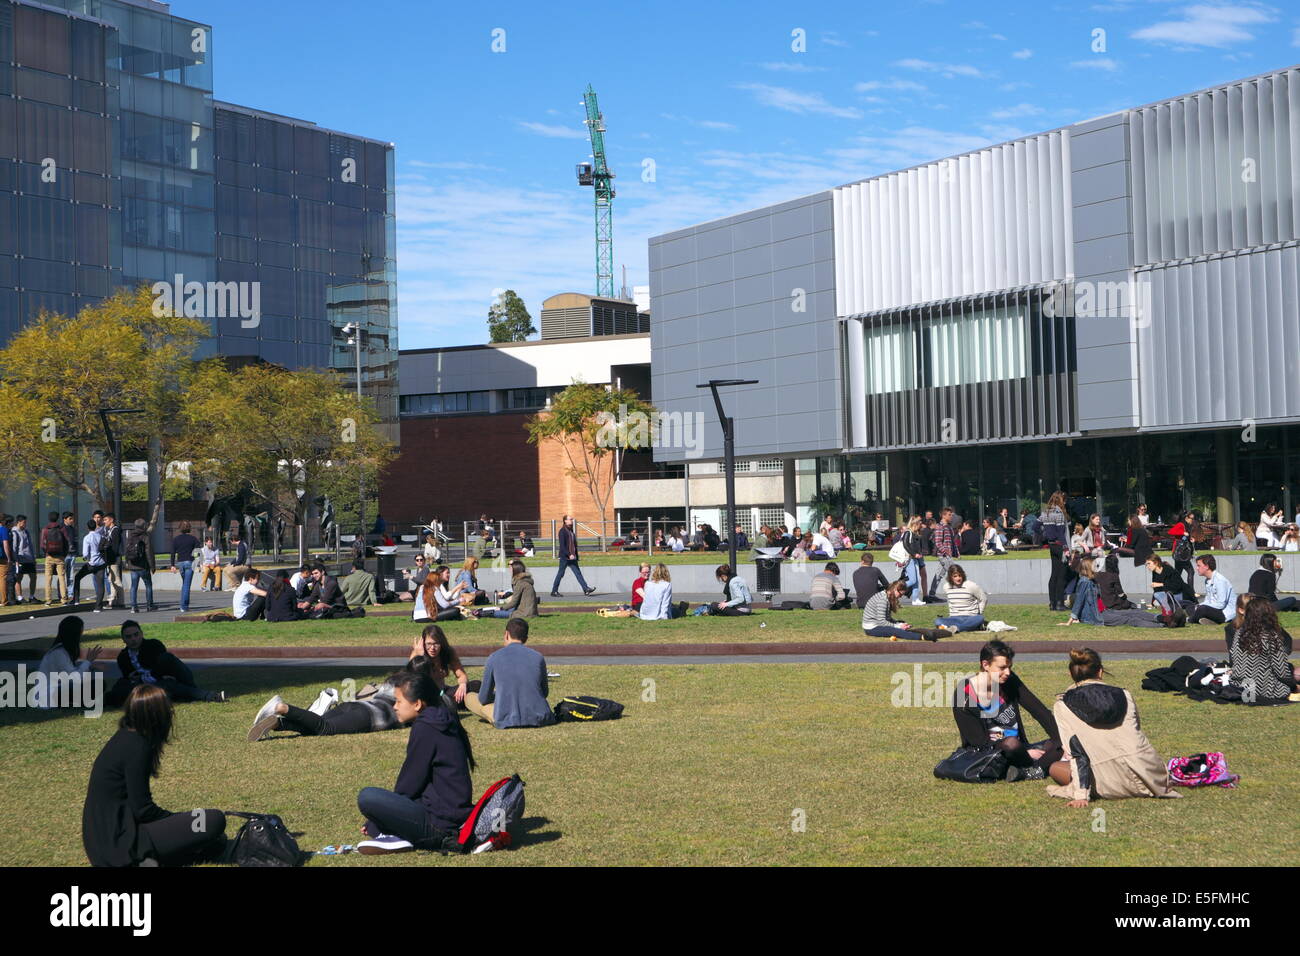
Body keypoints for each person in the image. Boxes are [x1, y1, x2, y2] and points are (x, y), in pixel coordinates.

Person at [83, 684, 230, 866]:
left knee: (206, 835)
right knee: (213, 819)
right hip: (121, 843)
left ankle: (155, 858)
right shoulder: (137, 746)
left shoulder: (125, 736)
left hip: (103, 842)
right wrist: (176, 820)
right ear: (155, 716)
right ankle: (142, 859)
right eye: (166, 708)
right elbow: (143, 809)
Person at [355, 667, 476, 855]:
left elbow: (409, 784)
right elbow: (422, 784)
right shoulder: (443, 718)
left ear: (418, 704)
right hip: (449, 814)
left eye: (399, 701)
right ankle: (396, 835)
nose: (394, 706)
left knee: (367, 797)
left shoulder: (426, 727)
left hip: (439, 826)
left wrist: (381, 819)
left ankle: (398, 836)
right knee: (379, 803)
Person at [1047, 648, 1180, 805]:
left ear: (1071, 675)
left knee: (1055, 768)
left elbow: (1077, 751)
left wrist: (1081, 795)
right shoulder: (1125, 695)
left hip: (1108, 783)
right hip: (1150, 777)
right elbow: (1136, 730)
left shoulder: (1062, 705)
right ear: (1100, 672)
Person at [249, 658, 441, 742]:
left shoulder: (396, 679)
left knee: (314, 729)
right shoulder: (419, 696)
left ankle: (279, 725)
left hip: (356, 706)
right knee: (325, 729)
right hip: (368, 716)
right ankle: (282, 707)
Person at [951, 639, 1063, 782]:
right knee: (1011, 744)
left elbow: (1039, 711)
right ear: (985, 665)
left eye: (1009, 667)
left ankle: (1028, 771)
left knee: (1060, 742)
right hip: (990, 754)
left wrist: (1062, 740)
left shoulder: (1010, 681)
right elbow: (978, 743)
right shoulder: (964, 694)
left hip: (1020, 748)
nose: (1008, 672)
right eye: (1002, 667)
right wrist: (1027, 754)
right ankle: (1037, 767)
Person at [106, 619, 226, 705]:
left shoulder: (153, 645)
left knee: (170, 680)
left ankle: (208, 695)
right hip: (145, 688)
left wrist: (146, 677)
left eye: (136, 635)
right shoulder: (122, 657)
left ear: (141, 634)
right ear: (123, 639)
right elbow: (130, 678)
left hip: (162, 680)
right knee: (120, 688)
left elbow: (165, 664)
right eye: (129, 637)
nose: (133, 639)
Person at [465, 618, 555, 728]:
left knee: (469, 697)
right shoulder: (538, 657)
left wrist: (498, 696)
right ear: (526, 638)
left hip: (508, 718)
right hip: (540, 716)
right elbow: (544, 692)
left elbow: (483, 699)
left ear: (506, 634)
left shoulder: (494, 657)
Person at [1225, 600, 1299, 703]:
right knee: (1287, 678)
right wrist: (1293, 686)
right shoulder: (1271, 636)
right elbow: (1281, 671)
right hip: (1262, 689)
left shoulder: (1239, 633)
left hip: (1239, 686)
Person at [1062, 562, 1167, 628]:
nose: (1096, 568)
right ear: (1087, 569)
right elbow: (1079, 601)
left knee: (1133, 612)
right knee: (1130, 620)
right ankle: (1162, 625)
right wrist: (1070, 621)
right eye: (1094, 566)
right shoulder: (1084, 582)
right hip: (1098, 616)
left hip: (1105, 610)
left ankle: (1162, 618)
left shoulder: (1092, 581)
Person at [33, 616, 102, 709]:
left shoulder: (63, 651)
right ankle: (74, 703)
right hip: (49, 695)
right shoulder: (59, 653)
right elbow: (73, 678)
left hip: (57, 690)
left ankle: (75, 702)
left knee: (96, 685)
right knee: (94, 686)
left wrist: (90, 667)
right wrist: (88, 662)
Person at [862, 579, 944, 641]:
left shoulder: (887, 597)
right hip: (871, 627)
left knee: (900, 624)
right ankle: (923, 637)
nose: (900, 596)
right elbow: (882, 621)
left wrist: (898, 623)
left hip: (877, 624)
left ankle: (925, 632)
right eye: (900, 594)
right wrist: (898, 626)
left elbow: (888, 619)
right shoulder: (882, 599)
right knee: (896, 631)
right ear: (895, 589)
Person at [935, 564, 988, 633]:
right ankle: (966, 627)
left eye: (960, 575)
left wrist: (979, 612)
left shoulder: (971, 585)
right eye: (955, 576)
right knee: (938, 621)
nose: (958, 578)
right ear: (950, 577)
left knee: (980, 618)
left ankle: (956, 628)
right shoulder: (946, 587)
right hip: (954, 617)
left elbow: (983, 599)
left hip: (970, 617)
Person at [551, 514, 595, 597]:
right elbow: (562, 546)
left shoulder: (571, 531)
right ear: (565, 521)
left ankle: (586, 589)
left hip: (572, 558)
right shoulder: (562, 531)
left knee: (578, 573)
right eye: (570, 519)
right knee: (560, 574)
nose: (571, 520)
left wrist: (576, 556)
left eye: (571, 519)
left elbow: (574, 545)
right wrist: (569, 554)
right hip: (565, 557)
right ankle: (554, 591)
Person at [1040, 491, 1070, 611]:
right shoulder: (1059, 513)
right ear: (1060, 500)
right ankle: (1059, 603)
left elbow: (1035, 527)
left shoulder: (1045, 512)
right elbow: (1061, 534)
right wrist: (1066, 549)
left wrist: (1046, 535)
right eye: (1064, 500)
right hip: (1060, 545)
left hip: (1052, 545)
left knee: (1054, 574)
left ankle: (1052, 603)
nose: (1066, 502)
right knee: (1061, 575)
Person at [70, 519, 108, 611]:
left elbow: (85, 553)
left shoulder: (87, 538)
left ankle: (76, 599)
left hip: (91, 563)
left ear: (87, 527)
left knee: (78, 577)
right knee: (100, 585)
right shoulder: (100, 536)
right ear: (95, 526)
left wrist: (86, 558)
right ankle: (98, 607)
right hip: (101, 563)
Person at [1189, 554, 1236, 625]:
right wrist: (1199, 606)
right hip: (1214, 609)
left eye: (1199, 566)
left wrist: (1201, 607)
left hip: (1224, 613)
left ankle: (1190, 620)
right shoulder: (1207, 581)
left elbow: (1221, 604)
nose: (1197, 568)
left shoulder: (1220, 580)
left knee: (1202, 609)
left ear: (1207, 566)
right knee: (1190, 607)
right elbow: (1208, 600)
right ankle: (1208, 620)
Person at [123, 518, 158, 613]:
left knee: (133, 586)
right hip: (143, 566)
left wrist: (127, 561)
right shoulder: (145, 536)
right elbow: (149, 552)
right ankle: (150, 605)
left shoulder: (130, 535)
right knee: (148, 585)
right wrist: (152, 566)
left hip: (133, 565)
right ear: (144, 526)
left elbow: (126, 550)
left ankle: (133, 607)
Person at [166, 521, 200, 613]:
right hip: (190, 563)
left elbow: (172, 552)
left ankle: (185, 604)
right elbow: (197, 552)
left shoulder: (176, 539)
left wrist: (172, 565)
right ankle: (184, 606)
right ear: (189, 528)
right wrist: (198, 564)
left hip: (180, 563)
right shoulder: (194, 539)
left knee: (185, 584)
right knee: (186, 585)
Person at [40, 511, 71, 605]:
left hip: (49, 556)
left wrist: (47, 552)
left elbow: (42, 544)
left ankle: (48, 599)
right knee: (62, 578)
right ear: (57, 518)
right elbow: (67, 542)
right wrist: (64, 554)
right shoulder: (62, 528)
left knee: (48, 578)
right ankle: (64, 599)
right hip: (60, 556)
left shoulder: (45, 529)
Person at [927, 507, 958, 602]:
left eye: (951, 515)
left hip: (947, 555)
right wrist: (946, 551)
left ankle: (931, 594)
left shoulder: (948, 527)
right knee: (955, 573)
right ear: (943, 515)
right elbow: (938, 542)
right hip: (944, 556)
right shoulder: (940, 527)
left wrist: (956, 553)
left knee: (938, 575)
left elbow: (952, 542)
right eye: (949, 515)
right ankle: (959, 593)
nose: (951, 516)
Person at [8, 514, 37, 603]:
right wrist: (16, 560)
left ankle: (31, 596)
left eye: (25, 522)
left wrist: (33, 558)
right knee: (18, 578)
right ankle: (20, 597)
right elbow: (14, 548)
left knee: (33, 577)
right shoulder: (14, 532)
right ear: (19, 522)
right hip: (20, 559)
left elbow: (30, 545)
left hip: (29, 559)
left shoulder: (26, 531)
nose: (25, 524)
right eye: (24, 522)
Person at [100, 513, 125, 609]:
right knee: (112, 580)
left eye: (105, 520)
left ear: (111, 520)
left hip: (114, 559)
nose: (104, 521)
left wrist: (111, 558)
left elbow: (115, 546)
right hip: (111, 559)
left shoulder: (115, 530)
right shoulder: (109, 530)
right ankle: (112, 601)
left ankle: (121, 601)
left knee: (116, 580)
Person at [901, 516, 927, 606]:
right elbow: (905, 545)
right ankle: (895, 589)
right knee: (912, 580)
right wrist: (914, 554)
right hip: (909, 559)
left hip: (915, 559)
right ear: (915, 524)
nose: (920, 526)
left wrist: (918, 554)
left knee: (916, 581)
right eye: (919, 524)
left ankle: (915, 599)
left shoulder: (914, 533)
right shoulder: (908, 532)